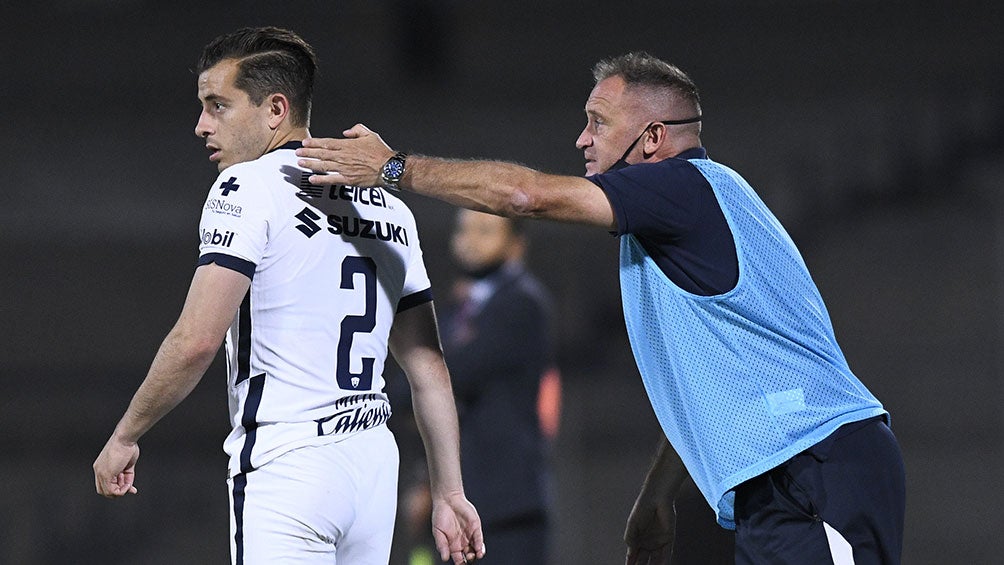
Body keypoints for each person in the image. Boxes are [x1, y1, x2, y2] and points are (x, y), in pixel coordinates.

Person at [295, 52, 907, 564]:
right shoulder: (689, 212)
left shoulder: (681, 189)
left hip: (814, 467)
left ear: (653, 139)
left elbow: (524, 195)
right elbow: (713, 389)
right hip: (783, 471)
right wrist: (656, 498)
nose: (581, 139)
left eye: (598, 121)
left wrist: (392, 167)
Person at [92, 26, 485, 565]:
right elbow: (427, 366)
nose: (201, 125)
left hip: (290, 461)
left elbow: (197, 340)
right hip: (373, 463)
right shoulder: (392, 208)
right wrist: (450, 491)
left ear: (275, 109)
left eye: (217, 105)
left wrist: (126, 433)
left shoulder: (247, 187)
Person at [397, 210, 558, 565]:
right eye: (463, 229)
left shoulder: (522, 304)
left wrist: (413, 382)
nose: (469, 240)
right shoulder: (456, 307)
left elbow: (449, 375)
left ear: (516, 245)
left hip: (506, 506)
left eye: (485, 231)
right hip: (455, 501)